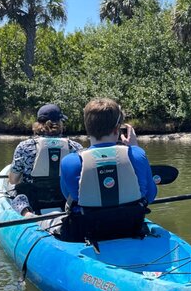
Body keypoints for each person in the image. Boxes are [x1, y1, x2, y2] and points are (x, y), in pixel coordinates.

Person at [59, 98, 157, 243]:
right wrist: (134, 147)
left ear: (87, 127)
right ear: (117, 129)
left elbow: (68, 195)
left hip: (89, 231)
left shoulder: (70, 162)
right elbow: (150, 195)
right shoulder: (137, 155)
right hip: (131, 227)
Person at [9, 103, 82, 217]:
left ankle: (27, 214)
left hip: (34, 201)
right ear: (59, 123)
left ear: (38, 124)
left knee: (17, 194)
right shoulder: (76, 147)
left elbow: (13, 180)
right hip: (63, 199)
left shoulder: (24, 147)